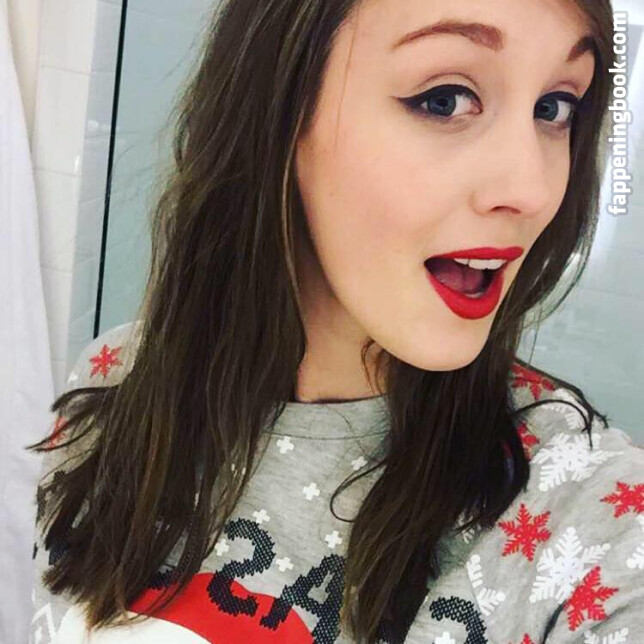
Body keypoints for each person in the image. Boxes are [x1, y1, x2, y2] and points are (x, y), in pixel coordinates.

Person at [26, 0, 643, 642]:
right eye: (445, 99)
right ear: (280, 106)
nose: (533, 190)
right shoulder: (112, 384)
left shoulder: (590, 519)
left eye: (555, 108)